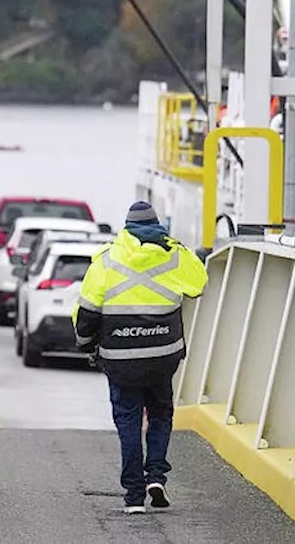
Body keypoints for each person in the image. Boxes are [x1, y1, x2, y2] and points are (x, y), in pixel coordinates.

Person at [73, 201, 208, 514]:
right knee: (160, 414)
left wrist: (84, 344)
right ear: (158, 225)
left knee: (129, 422)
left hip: (120, 358)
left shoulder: (107, 260)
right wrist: (181, 248)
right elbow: (198, 283)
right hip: (163, 356)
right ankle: (156, 477)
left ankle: (134, 497)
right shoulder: (174, 254)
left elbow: (88, 313)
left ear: (126, 227)